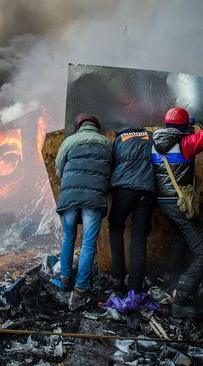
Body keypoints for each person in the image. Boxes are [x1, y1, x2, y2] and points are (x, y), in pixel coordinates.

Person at [151, 94, 203, 318]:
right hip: (180, 204)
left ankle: (175, 284)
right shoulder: (186, 144)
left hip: (164, 203)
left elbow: (179, 126)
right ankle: (181, 301)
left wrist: (189, 121)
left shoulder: (155, 142)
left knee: (181, 242)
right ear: (184, 128)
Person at [55, 115, 112, 308]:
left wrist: (69, 183)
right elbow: (110, 170)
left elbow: (58, 167)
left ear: (80, 127)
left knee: (68, 237)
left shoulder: (69, 141)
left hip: (69, 197)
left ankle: (64, 279)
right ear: (97, 127)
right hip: (93, 199)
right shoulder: (106, 143)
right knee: (88, 243)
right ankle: (81, 288)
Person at [108, 125, 156, 294]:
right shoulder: (150, 137)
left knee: (115, 228)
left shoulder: (119, 139)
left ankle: (117, 278)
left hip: (123, 190)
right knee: (139, 238)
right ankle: (135, 287)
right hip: (146, 190)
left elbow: (111, 163)